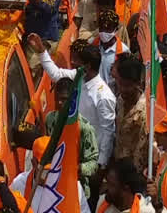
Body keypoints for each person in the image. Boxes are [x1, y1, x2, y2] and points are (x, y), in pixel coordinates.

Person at [29, 37, 116, 177]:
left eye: (77, 61)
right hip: (69, 149)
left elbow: (108, 132)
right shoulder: (78, 77)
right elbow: (57, 74)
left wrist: (101, 164)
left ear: (87, 66)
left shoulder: (103, 96)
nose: (73, 63)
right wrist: (42, 52)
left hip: (87, 158)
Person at [46, 77, 99, 198]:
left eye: (64, 99)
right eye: (58, 98)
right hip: (53, 187)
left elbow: (93, 163)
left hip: (77, 189)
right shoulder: (50, 119)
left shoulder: (85, 129)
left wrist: (76, 168)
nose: (60, 103)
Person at [10, 136, 91, 213]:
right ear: (34, 163)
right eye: (46, 170)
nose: (51, 174)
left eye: (54, 168)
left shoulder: (74, 187)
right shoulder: (19, 184)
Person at [112, 55, 148, 174]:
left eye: (127, 86)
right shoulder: (120, 100)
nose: (122, 89)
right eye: (120, 84)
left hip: (133, 174)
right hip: (118, 166)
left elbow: (142, 152)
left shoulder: (144, 112)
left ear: (138, 84)